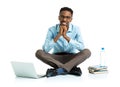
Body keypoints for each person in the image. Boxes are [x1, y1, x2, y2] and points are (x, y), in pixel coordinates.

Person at [35, 7, 91, 77]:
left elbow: (81, 47)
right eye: (62, 17)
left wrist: (66, 37)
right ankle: (69, 69)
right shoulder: (51, 29)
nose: (64, 19)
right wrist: (58, 35)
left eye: (67, 17)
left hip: (72, 58)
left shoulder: (76, 29)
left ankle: (60, 70)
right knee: (39, 52)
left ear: (71, 19)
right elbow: (45, 49)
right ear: (59, 17)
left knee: (87, 52)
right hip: (56, 59)